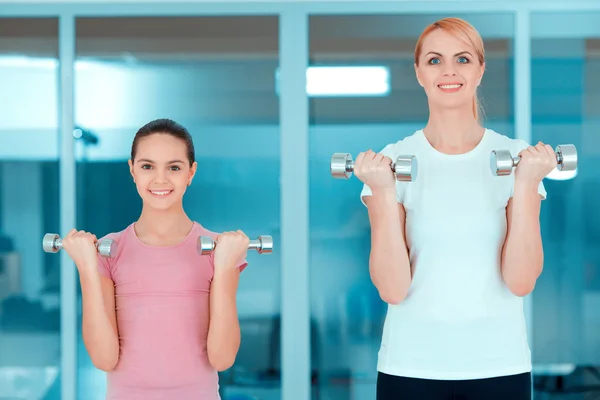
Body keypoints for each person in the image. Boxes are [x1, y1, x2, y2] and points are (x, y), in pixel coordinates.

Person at [355, 17, 558, 400]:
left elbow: (521, 281)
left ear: (481, 69)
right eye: (434, 60)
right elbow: (393, 288)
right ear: (418, 73)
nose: (448, 70)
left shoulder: (517, 158)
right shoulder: (393, 160)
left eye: (462, 59)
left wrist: (528, 183)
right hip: (410, 368)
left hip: (500, 367)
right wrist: (382, 193)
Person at [60, 118, 250, 400]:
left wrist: (223, 267)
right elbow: (104, 359)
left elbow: (222, 358)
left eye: (174, 167)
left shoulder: (219, 251)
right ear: (132, 170)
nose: (160, 179)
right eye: (148, 166)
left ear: (191, 172)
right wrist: (87, 268)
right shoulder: (109, 251)